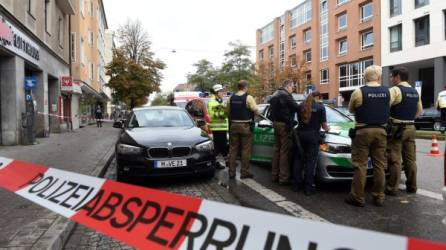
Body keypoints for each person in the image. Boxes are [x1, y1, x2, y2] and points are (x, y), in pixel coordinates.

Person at [345, 65, 391, 207]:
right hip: (381, 131)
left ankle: (357, 197)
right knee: (379, 165)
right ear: (378, 77)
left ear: (365, 77)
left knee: (360, 165)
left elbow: (351, 109)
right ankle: (379, 196)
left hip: (363, 131)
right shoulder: (387, 91)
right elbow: (387, 107)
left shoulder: (359, 92)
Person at [386, 67, 423, 196]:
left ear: (397, 77)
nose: (391, 79)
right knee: (410, 159)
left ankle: (392, 188)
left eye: (392, 77)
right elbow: (419, 111)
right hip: (411, 127)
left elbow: (385, 107)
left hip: (397, 128)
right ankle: (412, 186)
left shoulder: (395, 90)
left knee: (394, 159)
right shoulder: (414, 92)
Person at [293, 91, 329, 195]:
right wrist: (328, 128)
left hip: (299, 136)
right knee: (310, 162)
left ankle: (296, 185)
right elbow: (324, 126)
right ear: (317, 97)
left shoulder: (300, 106)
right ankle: (308, 188)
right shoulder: (321, 107)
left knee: (298, 160)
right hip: (313, 137)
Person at [269, 80, 300, 185]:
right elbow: (297, 107)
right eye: (292, 87)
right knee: (284, 152)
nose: (293, 89)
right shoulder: (286, 95)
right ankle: (283, 178)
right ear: (288, 86)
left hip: (276, 124)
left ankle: (274, 175)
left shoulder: (275, 94)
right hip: (284, 125)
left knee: (276, 150)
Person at [227, 80, 259, 179]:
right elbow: (256, 111)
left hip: (233, 126)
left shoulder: (231, 98)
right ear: (245, 87)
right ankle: (244, 172)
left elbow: (227, 112)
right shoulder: (248, 97)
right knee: (245, 150)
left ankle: (231, 172)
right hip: (245, 126)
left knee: (233, 149)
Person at [208, 84, 229, 170]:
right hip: (217, 128)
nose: (223, 93)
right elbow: (214, 114)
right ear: (216, 92)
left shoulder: (220, 101)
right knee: (219, 145)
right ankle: (219, 162)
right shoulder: (213, 102)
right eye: (221, 91)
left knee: (221, 145)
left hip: (222, 127)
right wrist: (226, 113)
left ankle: (222, 161)